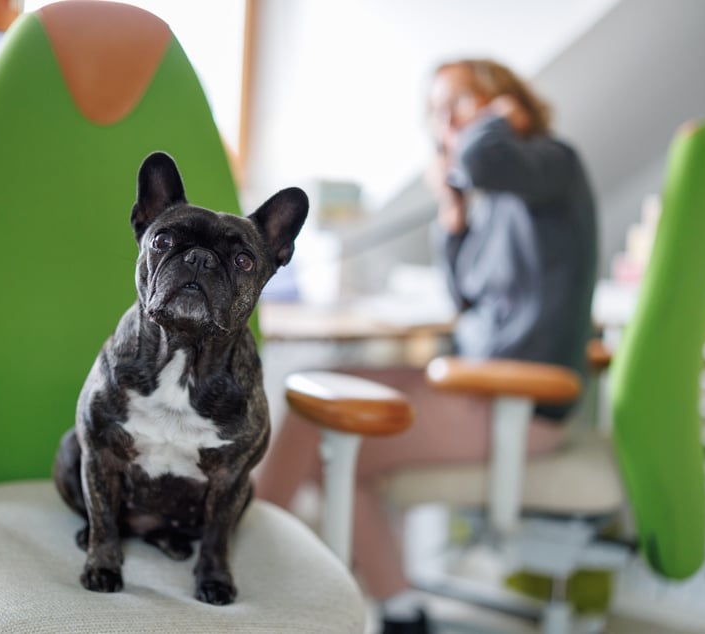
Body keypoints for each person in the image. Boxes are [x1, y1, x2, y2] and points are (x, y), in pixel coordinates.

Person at [254, 58, 598, 634]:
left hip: (517, 403)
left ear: (501, 101)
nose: (446, 127)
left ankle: (244, 560)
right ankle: (403, 612)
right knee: (322, 398)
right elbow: (469, 297)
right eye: (437, 115)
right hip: (478, 385)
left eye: (457, 106)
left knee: (317, 423)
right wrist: (454, 214)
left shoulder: (550, 162)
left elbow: (484, 156)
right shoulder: (503, 192)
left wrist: (490, 123)